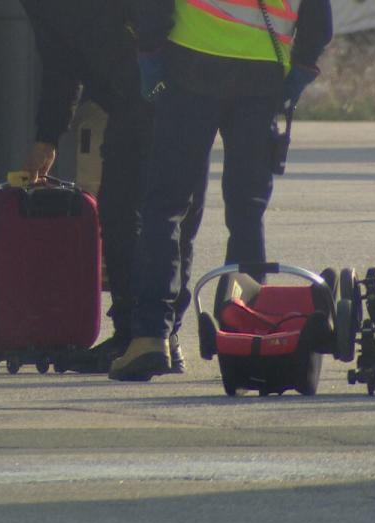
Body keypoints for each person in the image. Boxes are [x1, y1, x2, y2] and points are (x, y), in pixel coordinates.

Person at [109, 0, 333, 381]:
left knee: (166, 206)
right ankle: (249, 331)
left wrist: (149, 53)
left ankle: (150, 337)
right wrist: (300, 69)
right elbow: (318, 22)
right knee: (247, 213)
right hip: (263, 73)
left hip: (189, 67)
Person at [20, 0, 185, 373]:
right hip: (141, 94)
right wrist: (47, 137)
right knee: (141, 213)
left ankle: (142, 335)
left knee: (137, 213)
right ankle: (155, 335)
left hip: (160, 89)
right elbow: (60, 64)